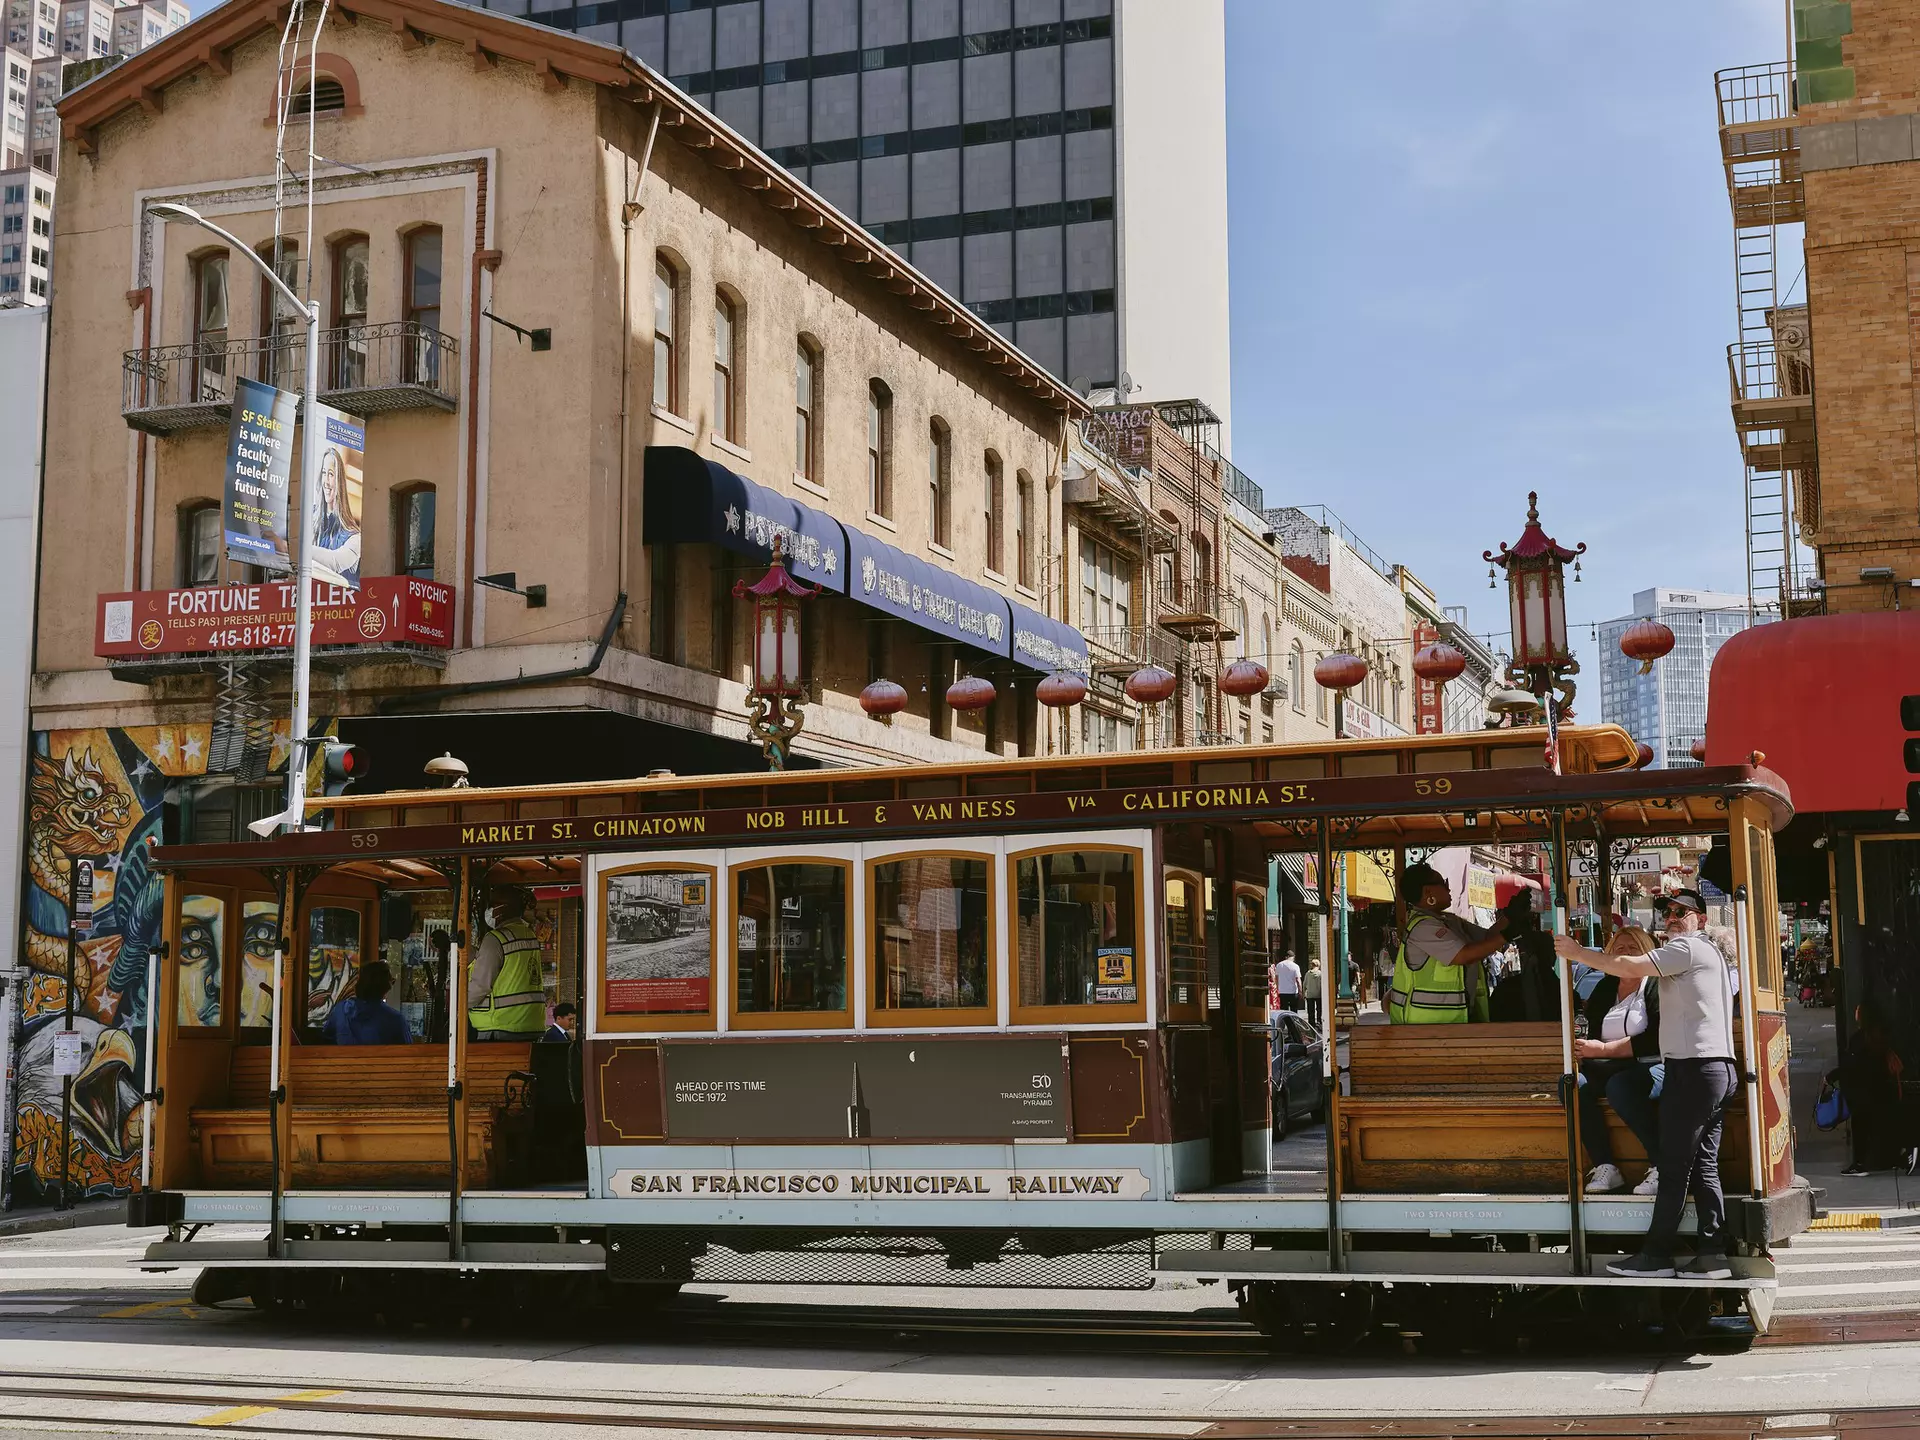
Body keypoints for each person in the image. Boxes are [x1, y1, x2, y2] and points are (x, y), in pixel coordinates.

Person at [1554, 889, 1736, 1279]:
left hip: (1694, 1071)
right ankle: (1712, 1253)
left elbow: (1627, 965)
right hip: (1713, 1069)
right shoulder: (1703, 953)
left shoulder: (1686, 949)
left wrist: (1575, 952)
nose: (1671, 917)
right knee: (1703, 1164)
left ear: (1700, 919)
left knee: (1673, 1166)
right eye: (1667, 912)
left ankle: (1656, 1255)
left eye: (1681, 912)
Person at [1574, 927, 1665, 1195]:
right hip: (1607, 1067)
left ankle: (1662, 1164)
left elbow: (1656, 1037)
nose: (1626, 955)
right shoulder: (1606, 986)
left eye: (1634, 948)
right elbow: (1590, 1028)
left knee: (1621, 1086)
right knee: (1571, 1083)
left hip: (1654, 1067)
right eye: (1620, 949)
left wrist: (1603, 1048)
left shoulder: (1657, 984)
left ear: (1648, 952)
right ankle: (1605, 1166)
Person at [1386, 862, 1506, 1025]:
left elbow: (1487, 938)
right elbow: (1464, 955)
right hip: (1425, 1028)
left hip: (1452, 1023)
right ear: (1428, 891)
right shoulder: (1423, 927)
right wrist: (1507, 935)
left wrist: (1510, 916)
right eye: (1444, 884)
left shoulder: (1449, 921)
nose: (1449, 889)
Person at [468, 886, 547, 1041]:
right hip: (531, 1023)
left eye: (492, 904)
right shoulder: (528, 934)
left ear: (502, 908)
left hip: (500, 1025)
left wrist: (458, 1004)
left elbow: (480, 986)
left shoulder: (495, 938)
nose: (489, 909)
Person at [321, 960, 410, 1046]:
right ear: (386, 987)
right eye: (392, 982)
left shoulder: (340, 1010)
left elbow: (327, 1039)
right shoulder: (395, 1019)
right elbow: (408, 1052)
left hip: (341, 1060)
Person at [1269, 938, 1303, 1016]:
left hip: (1282, 991)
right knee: (1294, 1010)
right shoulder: (1295, 966)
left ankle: (1284, 1025)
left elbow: (1276, 978)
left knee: (1284, 1010)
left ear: (1286, 957)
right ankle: (1293, 1026)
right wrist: (1300, 991)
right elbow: (1298, 980)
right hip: (1293, 992)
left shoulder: (1279, 965)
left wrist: (1278, 988)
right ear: (1292, 957)